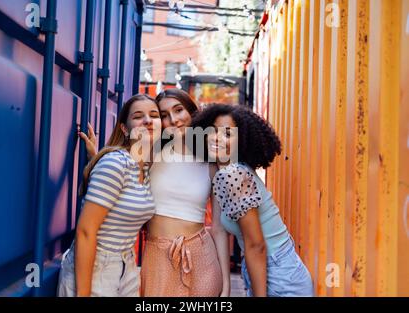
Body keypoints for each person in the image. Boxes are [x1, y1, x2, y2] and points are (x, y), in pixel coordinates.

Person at [80, 89, 231, 297]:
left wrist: (226, 284)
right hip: (158, 256)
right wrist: (96, 157)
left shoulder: (212, 162)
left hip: (202, 256)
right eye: (164, 115)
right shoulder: (150, 154)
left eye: (179, 110)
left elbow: (218, 228)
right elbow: (120, 177)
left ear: (192, 112)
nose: (174, 120)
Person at [191, 104, 314, 297]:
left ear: (242, 141)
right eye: (213, 131)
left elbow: (256, 245)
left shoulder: (235, 174)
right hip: (265, 268)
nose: (217, 138)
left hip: (279, 274)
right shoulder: (223, 170)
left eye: (228, 134)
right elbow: (218, 228)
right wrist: (225, 287)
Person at [57, 94, 161, 297]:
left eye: (154, 115)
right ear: (124, 128)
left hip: (127, 266)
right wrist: (83, 293)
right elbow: (86, 232)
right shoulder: (115, 164)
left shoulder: (145, 169)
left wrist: (94, 157)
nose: (148, 120)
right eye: (138, 116)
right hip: (96, 268)